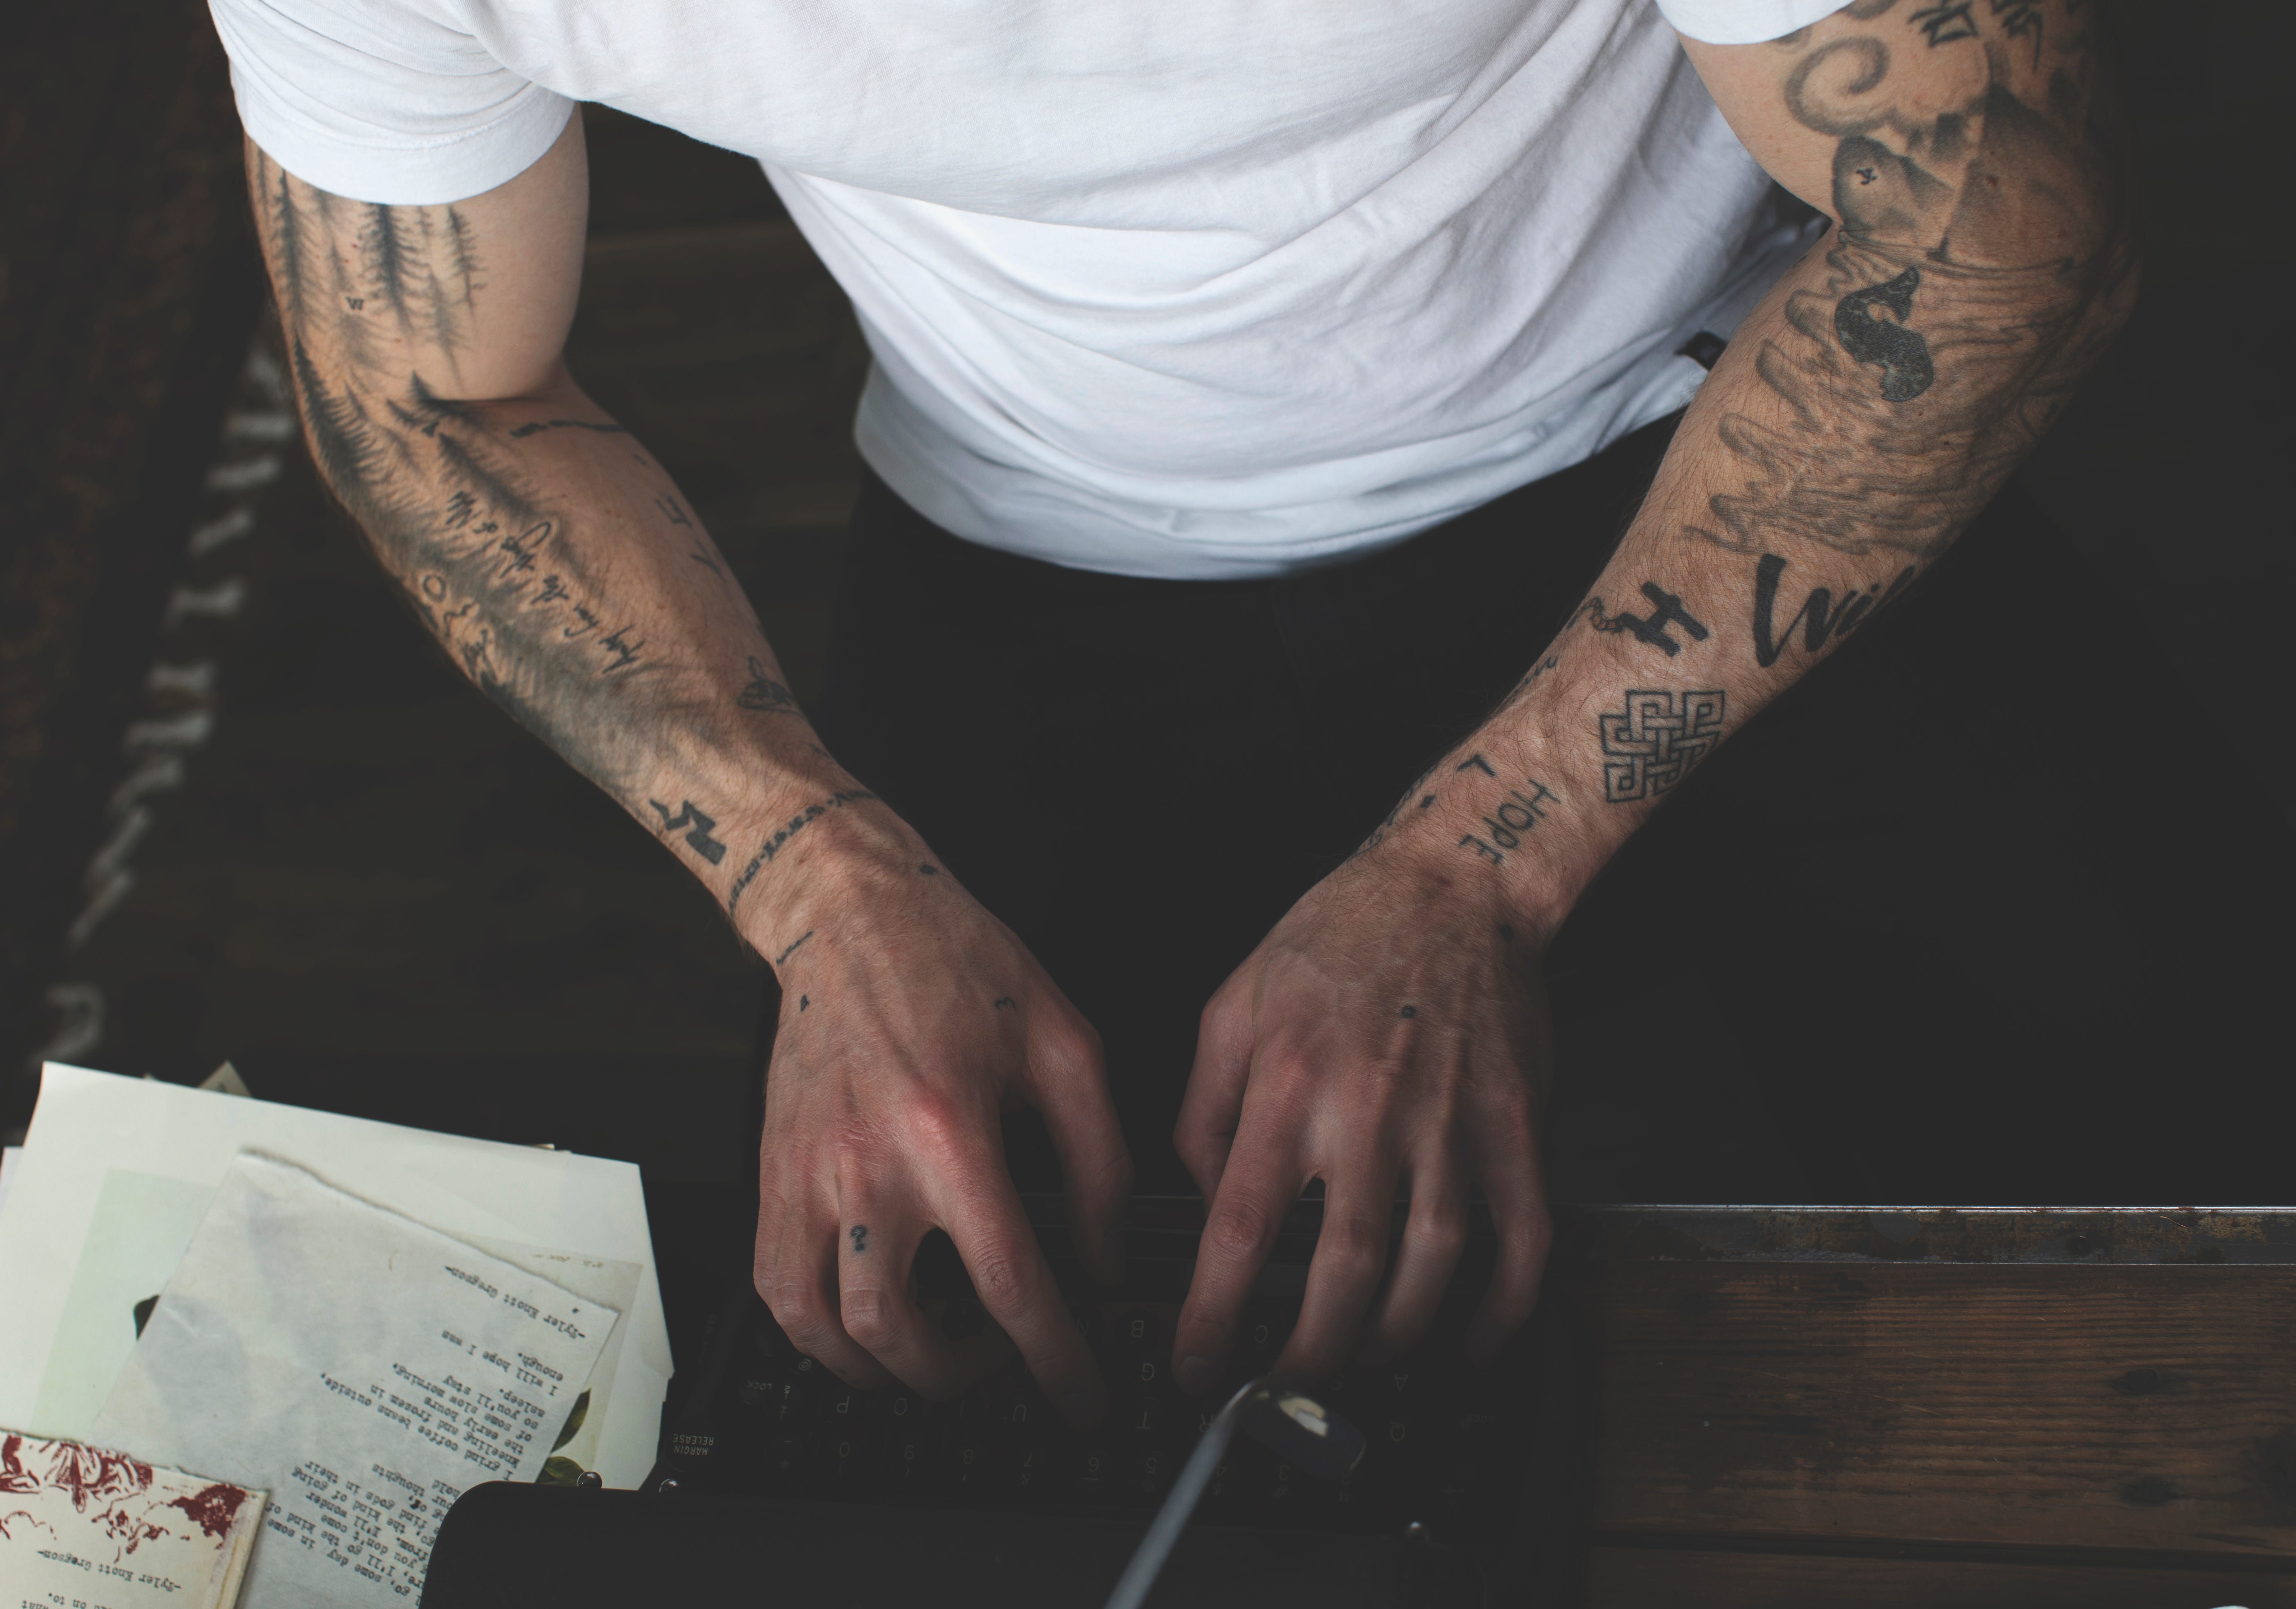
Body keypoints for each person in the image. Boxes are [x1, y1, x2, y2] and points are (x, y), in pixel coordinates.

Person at [211, 0, 2133, 1432]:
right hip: (1025, 540)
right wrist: (816, 890)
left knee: (2118, 1256)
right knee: (947, 1391)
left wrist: (1482, 861)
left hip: (1705, 446)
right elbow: (427, 395)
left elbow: (2001, 220)